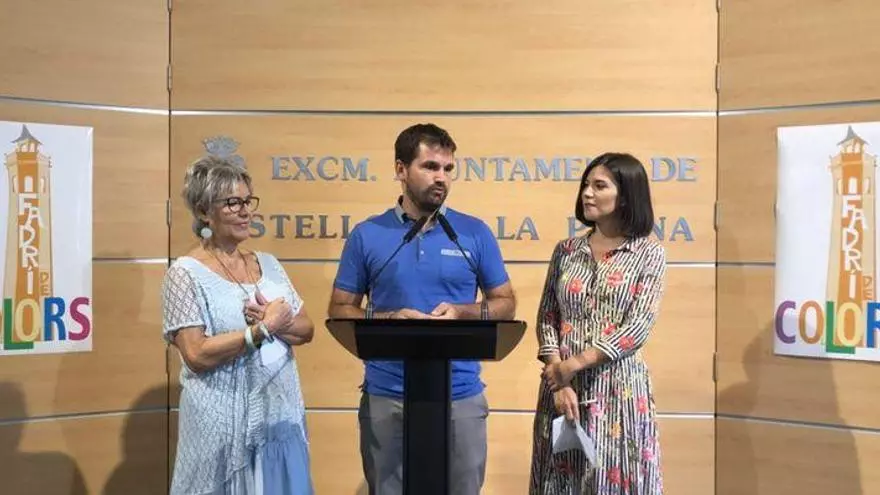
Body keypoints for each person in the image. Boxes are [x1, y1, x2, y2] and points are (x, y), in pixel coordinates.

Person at [328, 123, 517, 495]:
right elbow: (340, 309)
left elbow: (506, 304)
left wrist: (462, 312)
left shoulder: (473, 233)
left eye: (448, 168)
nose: (441, 177)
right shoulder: (368, 234)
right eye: (430, 166)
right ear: (401, 169)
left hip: (461, 395)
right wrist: (389, 319)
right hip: (387, 394)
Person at [161, 155, 315, 494]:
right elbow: (196, 354)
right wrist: (261, 331)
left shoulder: (269, 264)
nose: (246, 212)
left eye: (248, 201)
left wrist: (275, 322)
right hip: (220, 430)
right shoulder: (184, 274)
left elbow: (306, 329)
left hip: (278, 421)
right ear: (204, 212)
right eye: (232, 203)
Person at [528, 152, 667, 494]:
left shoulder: (649, 253)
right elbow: (547, 317)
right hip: (561, 388)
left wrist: (575, 364)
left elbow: (637, 327)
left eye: (599, 186)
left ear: (626, 195)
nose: (587, 193)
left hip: (618, 390)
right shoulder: (566, 250)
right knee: (560, 480)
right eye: (586, 185)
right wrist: (559, 378)